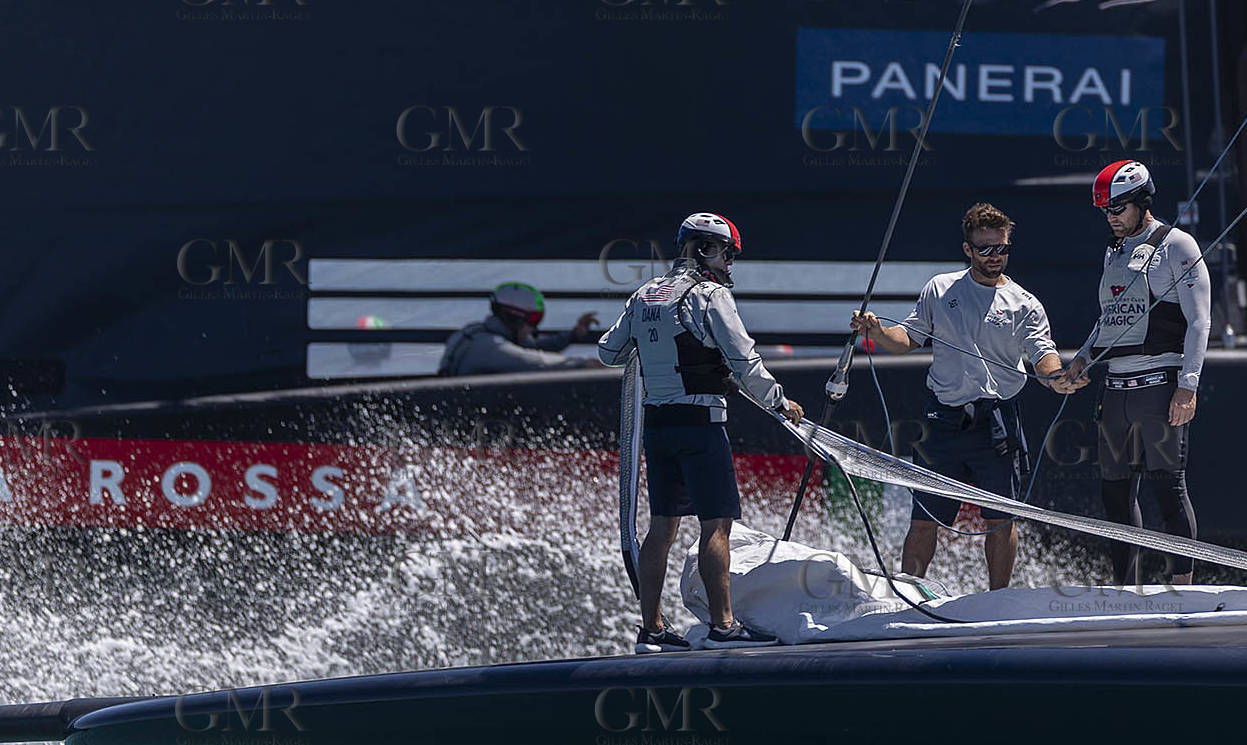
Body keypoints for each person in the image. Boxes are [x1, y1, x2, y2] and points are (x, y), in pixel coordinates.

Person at [598, 212, 804, 652]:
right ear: (706, 249)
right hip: (701, 423)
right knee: (717, 525)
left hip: (657, 426)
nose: (730, 264)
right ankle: (724, 628)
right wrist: (779, 403)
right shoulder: (709, 295)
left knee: (661, 526)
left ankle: (651, 631)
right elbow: (744, 360)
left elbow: (609, 352)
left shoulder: (643, 294)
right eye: (728, 254)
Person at [851, 203, 1073, 590]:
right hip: (945, 422)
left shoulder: (1025, 302)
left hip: (997, 424)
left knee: (1000, 520)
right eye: (985, 249)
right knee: (922, 519)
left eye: (1001, 248)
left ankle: (997, 599)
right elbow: (908, 340)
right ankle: (909, 594)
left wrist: (1056, 376)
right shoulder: (940, 288)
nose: (994, 256)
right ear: (967, 249)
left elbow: (1042, 352)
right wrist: (878, 331)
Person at [1060, 160, 1211, 587]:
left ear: (1143, 201)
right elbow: (1109, 318)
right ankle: (1128, 590)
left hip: (1158, 386)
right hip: (1115, 390)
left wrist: (1188, 386)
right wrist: (1083, 358)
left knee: (1167, 489)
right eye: (1106, 211)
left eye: (1119, 208)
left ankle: (1182, 589)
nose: (1111, 217)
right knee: (1115, 494)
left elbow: (1200, 321)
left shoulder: (1177, 244)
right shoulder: (1114, 249)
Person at [439, 282, 600, 377]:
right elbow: (536, 362)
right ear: (514, 319)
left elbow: (535, 346)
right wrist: (583, 364)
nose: (534, 327)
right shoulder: (489, 346)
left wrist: (572, 335)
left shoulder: (477, 330)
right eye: (533, 319)